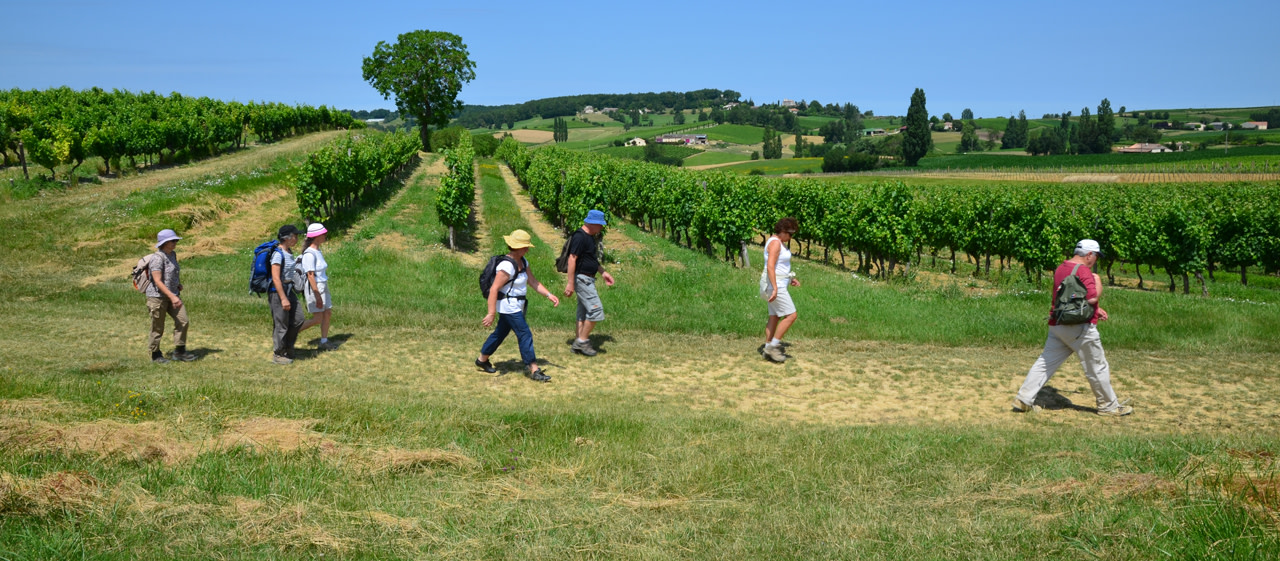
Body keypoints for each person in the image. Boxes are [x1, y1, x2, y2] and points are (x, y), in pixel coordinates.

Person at [1013, 239, 1133, 417]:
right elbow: (1092, 297)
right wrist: (1098, 283)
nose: (1096, 261)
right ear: (1089, 254)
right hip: (1079, 328)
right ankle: (1109, 406)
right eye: (1096, 257)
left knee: (1045, 363)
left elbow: (1067, 295)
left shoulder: (1062, 267)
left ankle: (1024, 398)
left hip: (1058, 324)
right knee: (1097, 366)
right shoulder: (1085, 271)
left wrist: (1095, 309)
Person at [477, 230, 561, 382]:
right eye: (525, 247)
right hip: (509, 306)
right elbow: (494, 289)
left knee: (500, 333)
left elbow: (533, 282)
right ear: (516, 247)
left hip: (517, 305)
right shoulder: (506, 266)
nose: (527, 249)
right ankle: (534, 369)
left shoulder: (524, 261)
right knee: (525, 333)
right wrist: (491, 313)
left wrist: (549, 295)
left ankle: (482, 359)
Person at [563, 209, 616, 357]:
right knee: (596, 311)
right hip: (582, 280)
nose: (601, 228)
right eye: (600, 225)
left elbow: (591, 260)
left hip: (587, 278)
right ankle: (582, 340)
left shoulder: (589, 237)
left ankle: (578, 343)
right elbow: (572, 259)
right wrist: (570, 283)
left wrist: (603, 272)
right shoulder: (580, 237)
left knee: (583, 312)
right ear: (593, 223)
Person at [145, 229, 194, 363]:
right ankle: (156, 355)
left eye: (176, 240)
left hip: (173, 294)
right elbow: (158, 281)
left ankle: (179, 351)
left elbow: (170, 274)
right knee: (158, 327)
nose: (175, 243)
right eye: (173, 241)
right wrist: (172, 296)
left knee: (183, 321)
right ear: (164, 242)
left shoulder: (173, 254)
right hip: (157, 297)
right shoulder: (157, 258)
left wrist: (177, 285)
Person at [760, 218, 800, 363]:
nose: (791, 238)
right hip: (776, 285)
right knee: (791, 315)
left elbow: (778, 267)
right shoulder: (776, 243)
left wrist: (790, 278)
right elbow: (770, 266)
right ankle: (773, 346)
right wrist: (776, 288)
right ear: (783, 231)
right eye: (790, 234)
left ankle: (767, 347)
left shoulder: (777, 242)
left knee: (774, 316)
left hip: (777, 283)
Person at [268, 224, 306, 365]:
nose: (297, 238)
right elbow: (276, 278)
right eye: (295, 236)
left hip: (289, 289)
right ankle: (278, 354)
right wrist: (283, 298)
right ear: (287, 238)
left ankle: (288, 348)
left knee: (298, 319)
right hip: (279, 292)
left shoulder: (288, 251)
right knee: (281, 323)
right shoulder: (278, 254)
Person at [298, 223, 334, 350]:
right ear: (316, 236)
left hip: (323, 285)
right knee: (318, 318)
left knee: (327, 313)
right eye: (323, 234)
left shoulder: (318, 251)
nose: (325, 236)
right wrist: (317, 296)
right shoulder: (309, 254)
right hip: (315, 288)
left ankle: (324, 341)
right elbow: (310, 276)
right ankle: (291, 333)